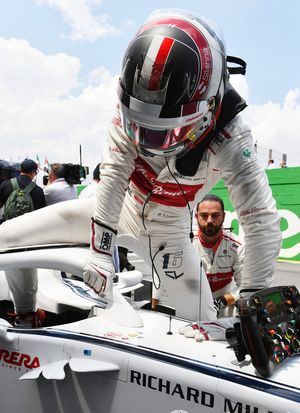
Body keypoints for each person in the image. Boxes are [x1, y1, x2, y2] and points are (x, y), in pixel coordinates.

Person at [82, 9, 281, 324]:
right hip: (117, 212)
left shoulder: (231, 136)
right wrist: (99, 252)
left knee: (202, 319)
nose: (151, 141)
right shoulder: (126, 109)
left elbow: (261, 222)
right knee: (9, 240)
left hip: (170, 237)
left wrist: (251, 303)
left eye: (167, 130)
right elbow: (113, 176)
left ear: (211, 105)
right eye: (142, 127)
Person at [0, 159, 46, 328]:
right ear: (34, 172)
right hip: (28, 238)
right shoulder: (38, 190)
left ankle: (18, 311)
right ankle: (28, 314)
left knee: (11, 274)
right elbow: (42, 218)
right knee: (28, 278)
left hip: (7, 236)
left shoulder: (5, 185)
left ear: (20, 170)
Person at [193, 194, 244, 317]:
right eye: (204, 215)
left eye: (215, 215)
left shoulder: (237, 246)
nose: (209, 220)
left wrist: (221, 301)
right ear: (196, 217)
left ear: (223, 216)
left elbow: (245, 285)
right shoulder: (186, 243)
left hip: (223, 308)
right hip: (191, 307)